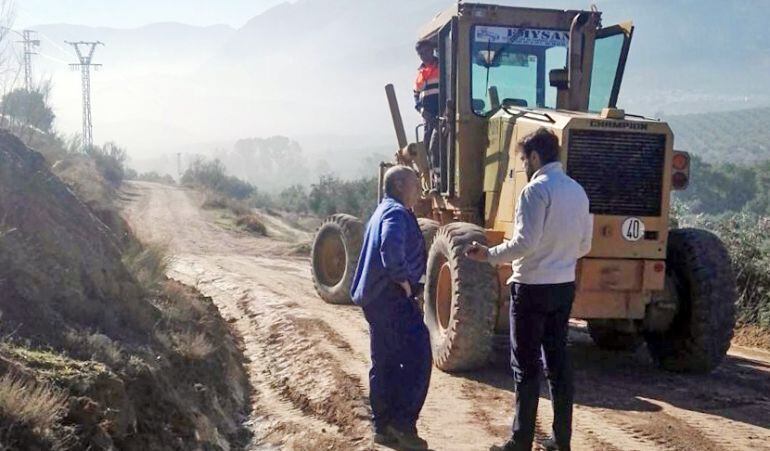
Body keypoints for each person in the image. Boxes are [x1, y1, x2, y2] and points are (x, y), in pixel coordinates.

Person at [466, 128, 593, 451]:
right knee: (558, 365)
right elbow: (584, 245)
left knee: (525, 366)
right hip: (563, 287)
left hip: (532, 288)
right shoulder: (578, 191)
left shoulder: (535, 191)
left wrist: (490, 255)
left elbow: (524, 243)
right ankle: (561, 440)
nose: (523, 166)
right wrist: (558, 256)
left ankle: (520, 441)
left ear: (535, 157)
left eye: (524, 159)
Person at [350, 165, 432, 450]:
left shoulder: (383, 208)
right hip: (392, 298)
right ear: (398, 184)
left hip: (377, 299)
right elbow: (390, 246)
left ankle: (383, 426)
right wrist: (404, 281)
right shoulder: (396, 212)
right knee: (418, 358)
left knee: (384, 361)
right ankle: (402, 425)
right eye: (415, 183)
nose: (419, 190)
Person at [414, 39, 441, 188]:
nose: (423, 56)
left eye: (425, 52)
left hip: (440, 117)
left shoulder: (443, 67)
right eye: (420, 54)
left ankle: (438, 184)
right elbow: (416, 96)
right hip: (427, 117)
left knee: (434, 148)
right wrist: (421, 110)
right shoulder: (420, 73)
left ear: (432, 50)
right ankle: (432, 183)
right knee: (427, 149)